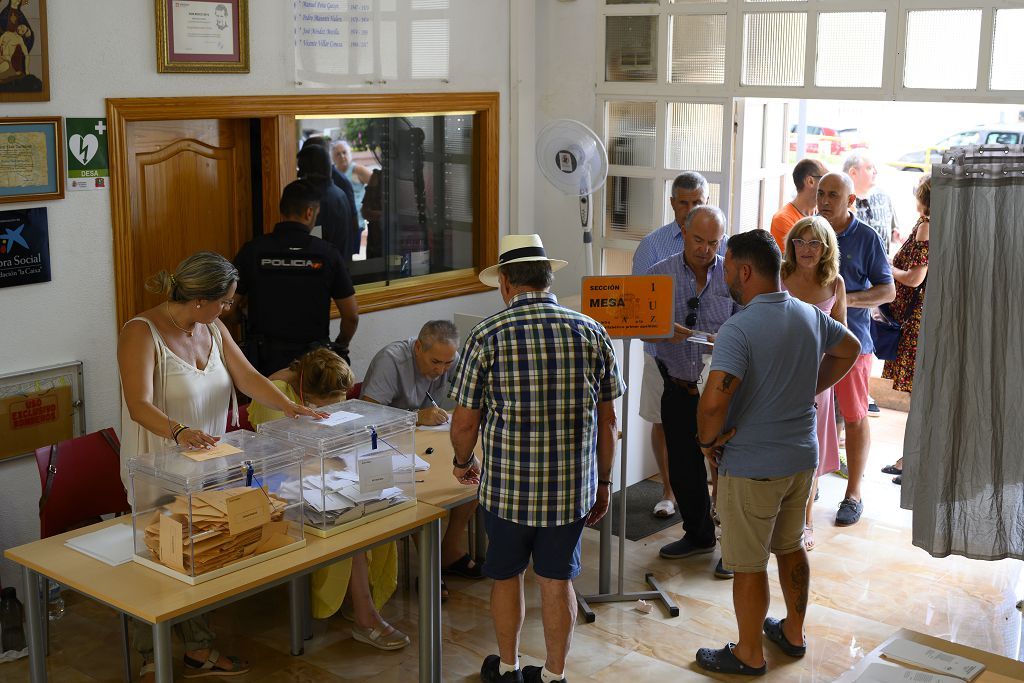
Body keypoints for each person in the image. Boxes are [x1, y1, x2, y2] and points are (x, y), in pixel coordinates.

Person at [117, 252, 325, 682]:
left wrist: (289, 406)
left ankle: (198, 647)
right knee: (162, 553)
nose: (229, 310)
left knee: (205, 551)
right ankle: (149, 652)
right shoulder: (141, 332)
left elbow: (246, 376)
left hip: (207, 463)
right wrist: (179, 432)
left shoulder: (211, 326)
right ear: (199, 299)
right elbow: (138, 404)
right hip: (158, 464)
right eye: (225, 302)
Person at [448, 234, 622, 683]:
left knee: (505, 579)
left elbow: (465, 423)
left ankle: (508, 667)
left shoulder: (485, 336)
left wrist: (462, 461)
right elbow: (609, 423)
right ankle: (554, 675)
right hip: (569, 492)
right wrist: (603, 482)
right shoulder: (591, 331)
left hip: (507, 492)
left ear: (505, 283)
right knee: (557, 581)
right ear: (548, 278)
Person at [693, 229, 860, 677]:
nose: (724, 273)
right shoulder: (808, 315)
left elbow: (712, 402)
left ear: (745, 271)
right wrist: (810, 387)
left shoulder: (738, 328)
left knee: (747, 564)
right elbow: (850, 349)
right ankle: (793, 632)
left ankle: (748, 654)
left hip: (752, 464)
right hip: (801, 457)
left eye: (727, 266)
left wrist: (707, 442)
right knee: (789, 547)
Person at [247, 348, 410, 651]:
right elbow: (280, 459)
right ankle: (365, 614)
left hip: (321, 476)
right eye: (327, 406)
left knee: (374, 508)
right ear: (305, 393)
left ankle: (359, 598)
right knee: (347, 519)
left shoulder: (314, 386)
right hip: (278, 485)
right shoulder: (274, 396)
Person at [645, 205, 738, 577]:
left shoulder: (734, 273)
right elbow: (639, 326)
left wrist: (730, 338)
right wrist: (661, 330)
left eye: (714, 242)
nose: (706, 249)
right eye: (698, 240)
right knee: (683, 468)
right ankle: (697, 534)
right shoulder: (658, 273)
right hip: (678, 384)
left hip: (723, 388)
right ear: (683, 232)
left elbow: (751, 318)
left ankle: (733, 548)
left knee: (730, 469)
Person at [361, 320, 483, 600]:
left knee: (471, 475)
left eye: (447, 363)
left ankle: (449, 550)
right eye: (435, 362)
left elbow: (469, 392)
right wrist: (415, 417)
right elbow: (366, 416)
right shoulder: (390, 360)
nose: (441, 370)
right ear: (418, 347)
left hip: (428, 442)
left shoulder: (450, 360)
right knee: (423, 491)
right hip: (387, 447)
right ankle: (430, 566)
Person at [816, 172, 895, 526]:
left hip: (853, 345)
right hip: (810, 342)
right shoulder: (808, 233)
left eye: (834, 194)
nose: (825, 200)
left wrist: (845, 301)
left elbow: (888, 291)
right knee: (810, 414)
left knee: (854, 415)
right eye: (821, 193)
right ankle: (808, 484)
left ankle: (853, 493)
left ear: (850, 201)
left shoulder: (867, 238)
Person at [631, 171, 709, 519]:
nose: (690, 209)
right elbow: (636, 304)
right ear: (672, 203)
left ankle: (712, 497)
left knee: (711, 424)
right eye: (684, 203)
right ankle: (668, 492)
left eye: (698, 202)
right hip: (661, 354)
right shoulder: (652, 245)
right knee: (662, 421)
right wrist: (664, 328)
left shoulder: (722, 240)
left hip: (708, 356)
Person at [232, 179, 358, 375]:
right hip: (313, 365)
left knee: (264, 406)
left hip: (263, 364)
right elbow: (351, 316)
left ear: (282, 210)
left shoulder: (253, 251)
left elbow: (226, 308)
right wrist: (339, 347)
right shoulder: (327, 254)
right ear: (309, 213)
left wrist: (241, 319)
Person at [781, 216, 847, 550]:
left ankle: (806, 521)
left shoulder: (835, 283)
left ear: (825, 249)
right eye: (800, 242)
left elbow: (842, 336)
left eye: (814, 243)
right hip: (778, 370)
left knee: (812, 448)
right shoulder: (780, 275)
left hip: (816, 377)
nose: (806, 250)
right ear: (791, 244)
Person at [881, 174, 930, 484]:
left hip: (917, 323)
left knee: (919, 398)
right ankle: (909, 459)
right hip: (920, 320)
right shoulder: (928, 224)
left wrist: (888, 266)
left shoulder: (927, 225)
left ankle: (913, 463)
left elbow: (915, 278)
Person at [298, 142, 358, 260]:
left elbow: (314, 243)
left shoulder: (319, 200)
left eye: (302, 170)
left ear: (311, 171)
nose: (300, 176)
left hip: (328, 270)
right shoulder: (338, 193)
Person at [844, 153, 901, 253]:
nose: (875, 172)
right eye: (870, 168)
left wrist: (896, 236)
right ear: (853, 173)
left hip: (881, 266)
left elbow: (893, 231)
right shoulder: (841, 202)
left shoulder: (884, 196)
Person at [770, 158, 828, 251]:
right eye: (826, 178)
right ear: (810, 181)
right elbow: (796, 259)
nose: (830, 184)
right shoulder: (783, 219)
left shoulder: (822, 213)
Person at [332, 139, 372, 252]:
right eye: (338, 154)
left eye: (344, 152)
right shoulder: (332, 172)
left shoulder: (357, 170)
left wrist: (367, 205)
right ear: (333, 158)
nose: (342, 156)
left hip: (355, 222)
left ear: (349, 154)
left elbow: (377, 185)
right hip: (338, 222)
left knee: (351, 254)